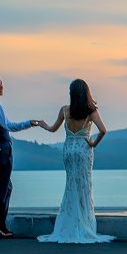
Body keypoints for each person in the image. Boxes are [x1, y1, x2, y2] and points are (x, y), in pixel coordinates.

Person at [37, 78, 114, 244]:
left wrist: (43, 125)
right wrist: (93, 143)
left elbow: (52, 129)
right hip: (83, 149)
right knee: (84, 186)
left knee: (70, 184)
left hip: (68, 150)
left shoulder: (65, 110)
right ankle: (83, 224)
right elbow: (103, 131)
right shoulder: (91, 111)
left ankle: (69, 224)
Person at [0, 72, 41, 240]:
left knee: (6, 186)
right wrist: (29, 123)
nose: (1, 86)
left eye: (1, 83)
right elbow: (9, 126)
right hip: (0, 151)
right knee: (0, 188)